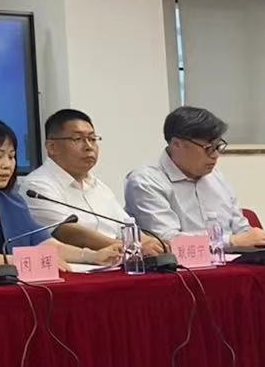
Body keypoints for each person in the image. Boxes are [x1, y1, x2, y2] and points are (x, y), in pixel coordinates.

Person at [0, 117, 121, 271]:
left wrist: (93, 256)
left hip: (11, 287)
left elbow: (46, 244)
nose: (7, 164)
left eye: (11, 156)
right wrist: (27, 261)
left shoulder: (12, 201)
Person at [21, 108, 165, 256]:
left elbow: (127, 227)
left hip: (116, 262)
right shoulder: (37, 186)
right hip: (78, 266)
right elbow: (68, 233)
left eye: (92, 139)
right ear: (52, 147)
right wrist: (130, 247)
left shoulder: (99, 186)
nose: (89, 147)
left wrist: (156, 244)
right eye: (77, 139)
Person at [124, 106, 265, 251]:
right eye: (209, 148)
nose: (215, 155)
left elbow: (243, 231)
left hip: (233, 261)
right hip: (183, 265)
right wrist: (231, 241)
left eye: (218, 146)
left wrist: (256, 240)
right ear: (177, 144)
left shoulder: (216, 178)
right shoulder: (145, 182)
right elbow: (167, 240)